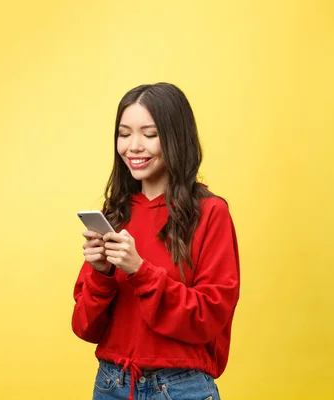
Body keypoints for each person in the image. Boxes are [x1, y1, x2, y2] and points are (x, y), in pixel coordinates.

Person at [71, 82, 240, 400]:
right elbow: (84, 327)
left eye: (149, 134)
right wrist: (101, 273)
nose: (133, 146)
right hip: (112, 384)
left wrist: (140, 270)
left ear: (176, 137)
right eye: (124, 134)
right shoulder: (115, 214)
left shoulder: (210, 213)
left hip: (181, 388)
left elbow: (208, 318)